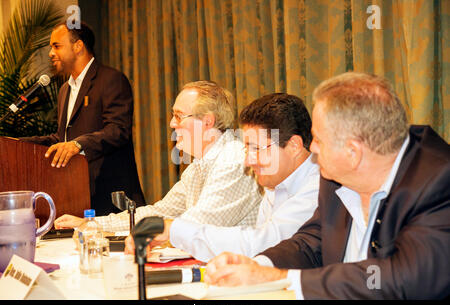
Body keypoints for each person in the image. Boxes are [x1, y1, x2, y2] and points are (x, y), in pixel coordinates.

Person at [205, 72, 450, 300]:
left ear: (353, 152)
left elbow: (405, 278)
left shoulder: (439, 182)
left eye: (319, 140)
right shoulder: (335, 177)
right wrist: (258, 265)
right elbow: (311, 241)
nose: (312, 149)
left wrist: (282, 278)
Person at [127, 93, 320, 262]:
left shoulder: (318, 187)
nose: (248, 161)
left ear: (294, 146)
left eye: (257, 148)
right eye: (247, 148)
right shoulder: (275, 183)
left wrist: (173, 230)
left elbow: (268, 243)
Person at [55, 80, 262, 232]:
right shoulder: (198, 166)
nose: (172, 123)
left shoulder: (234, 160)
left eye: (179, 116)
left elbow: (196, 226)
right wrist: (93, 223)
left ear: (207, 122)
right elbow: (161, 211)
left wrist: (149, 234)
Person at [20, 22, 145, 215]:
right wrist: (16, 143)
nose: (51, 53)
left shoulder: (110, 79)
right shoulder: (65, 90)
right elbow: (62, 139)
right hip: (77, 196)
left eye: (56, 46)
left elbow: (118, 130)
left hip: (111, 199)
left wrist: (78, 145)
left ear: (78, 46)